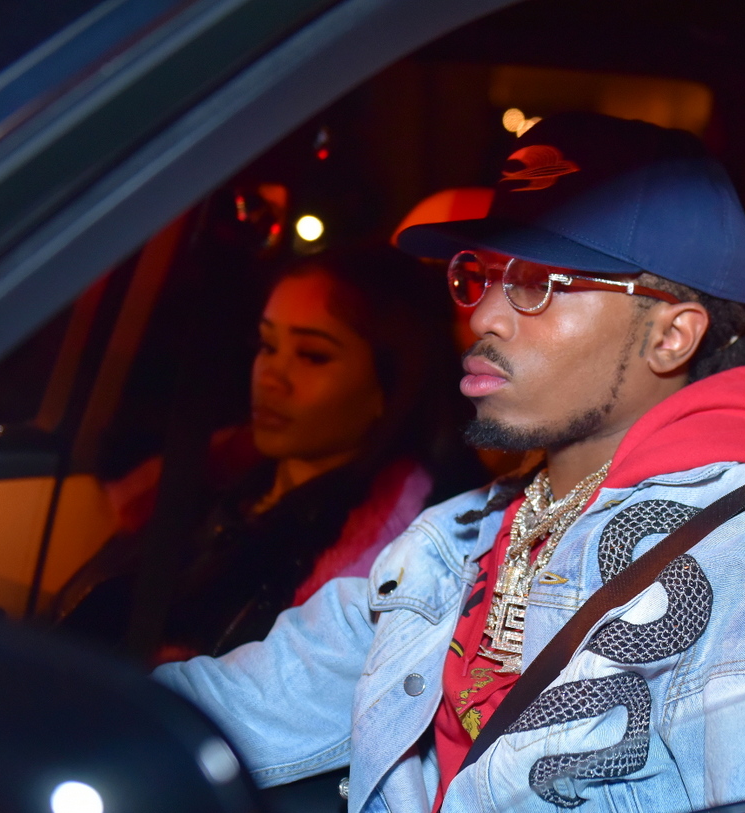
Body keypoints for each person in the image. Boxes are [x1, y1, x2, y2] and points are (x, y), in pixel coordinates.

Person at [154, 113, 745, 813]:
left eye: (539, 285)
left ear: (671, 335)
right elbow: (249, 702)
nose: (483, 317)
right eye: (478, 276)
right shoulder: (454, 537)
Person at [64, 247, 480, 661]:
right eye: (266, 345)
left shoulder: (373, 556)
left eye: (312, 356)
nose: (270, 378)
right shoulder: (217, 480)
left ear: (389, 387)